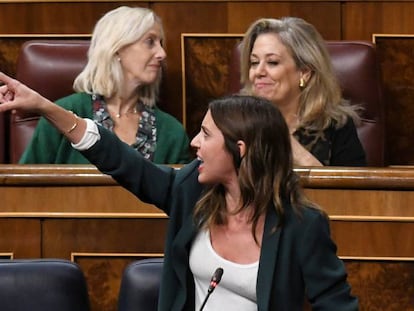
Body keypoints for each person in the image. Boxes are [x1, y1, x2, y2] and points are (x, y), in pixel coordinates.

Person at [0, 71, 358, 310]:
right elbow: (123, 162)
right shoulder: (191, 192)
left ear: (241, 149)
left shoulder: (302, 225)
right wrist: (46, 108)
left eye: (206, 134)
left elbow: (337, 306)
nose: (194, 142)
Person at [19, 6, 191, 164]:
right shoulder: (62, 114)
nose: (162, 53)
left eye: (161, 43)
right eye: (150, 42)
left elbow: (181, 195)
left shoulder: (172, 132)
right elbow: (22, 189)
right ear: (117, 49)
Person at [238, 17, 366, 166]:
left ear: (304, 72)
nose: (258, 72)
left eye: (272, 62)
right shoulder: (235, 120)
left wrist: (289, 145)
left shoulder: (336, 127)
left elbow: (351, 189)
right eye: (254, 63)